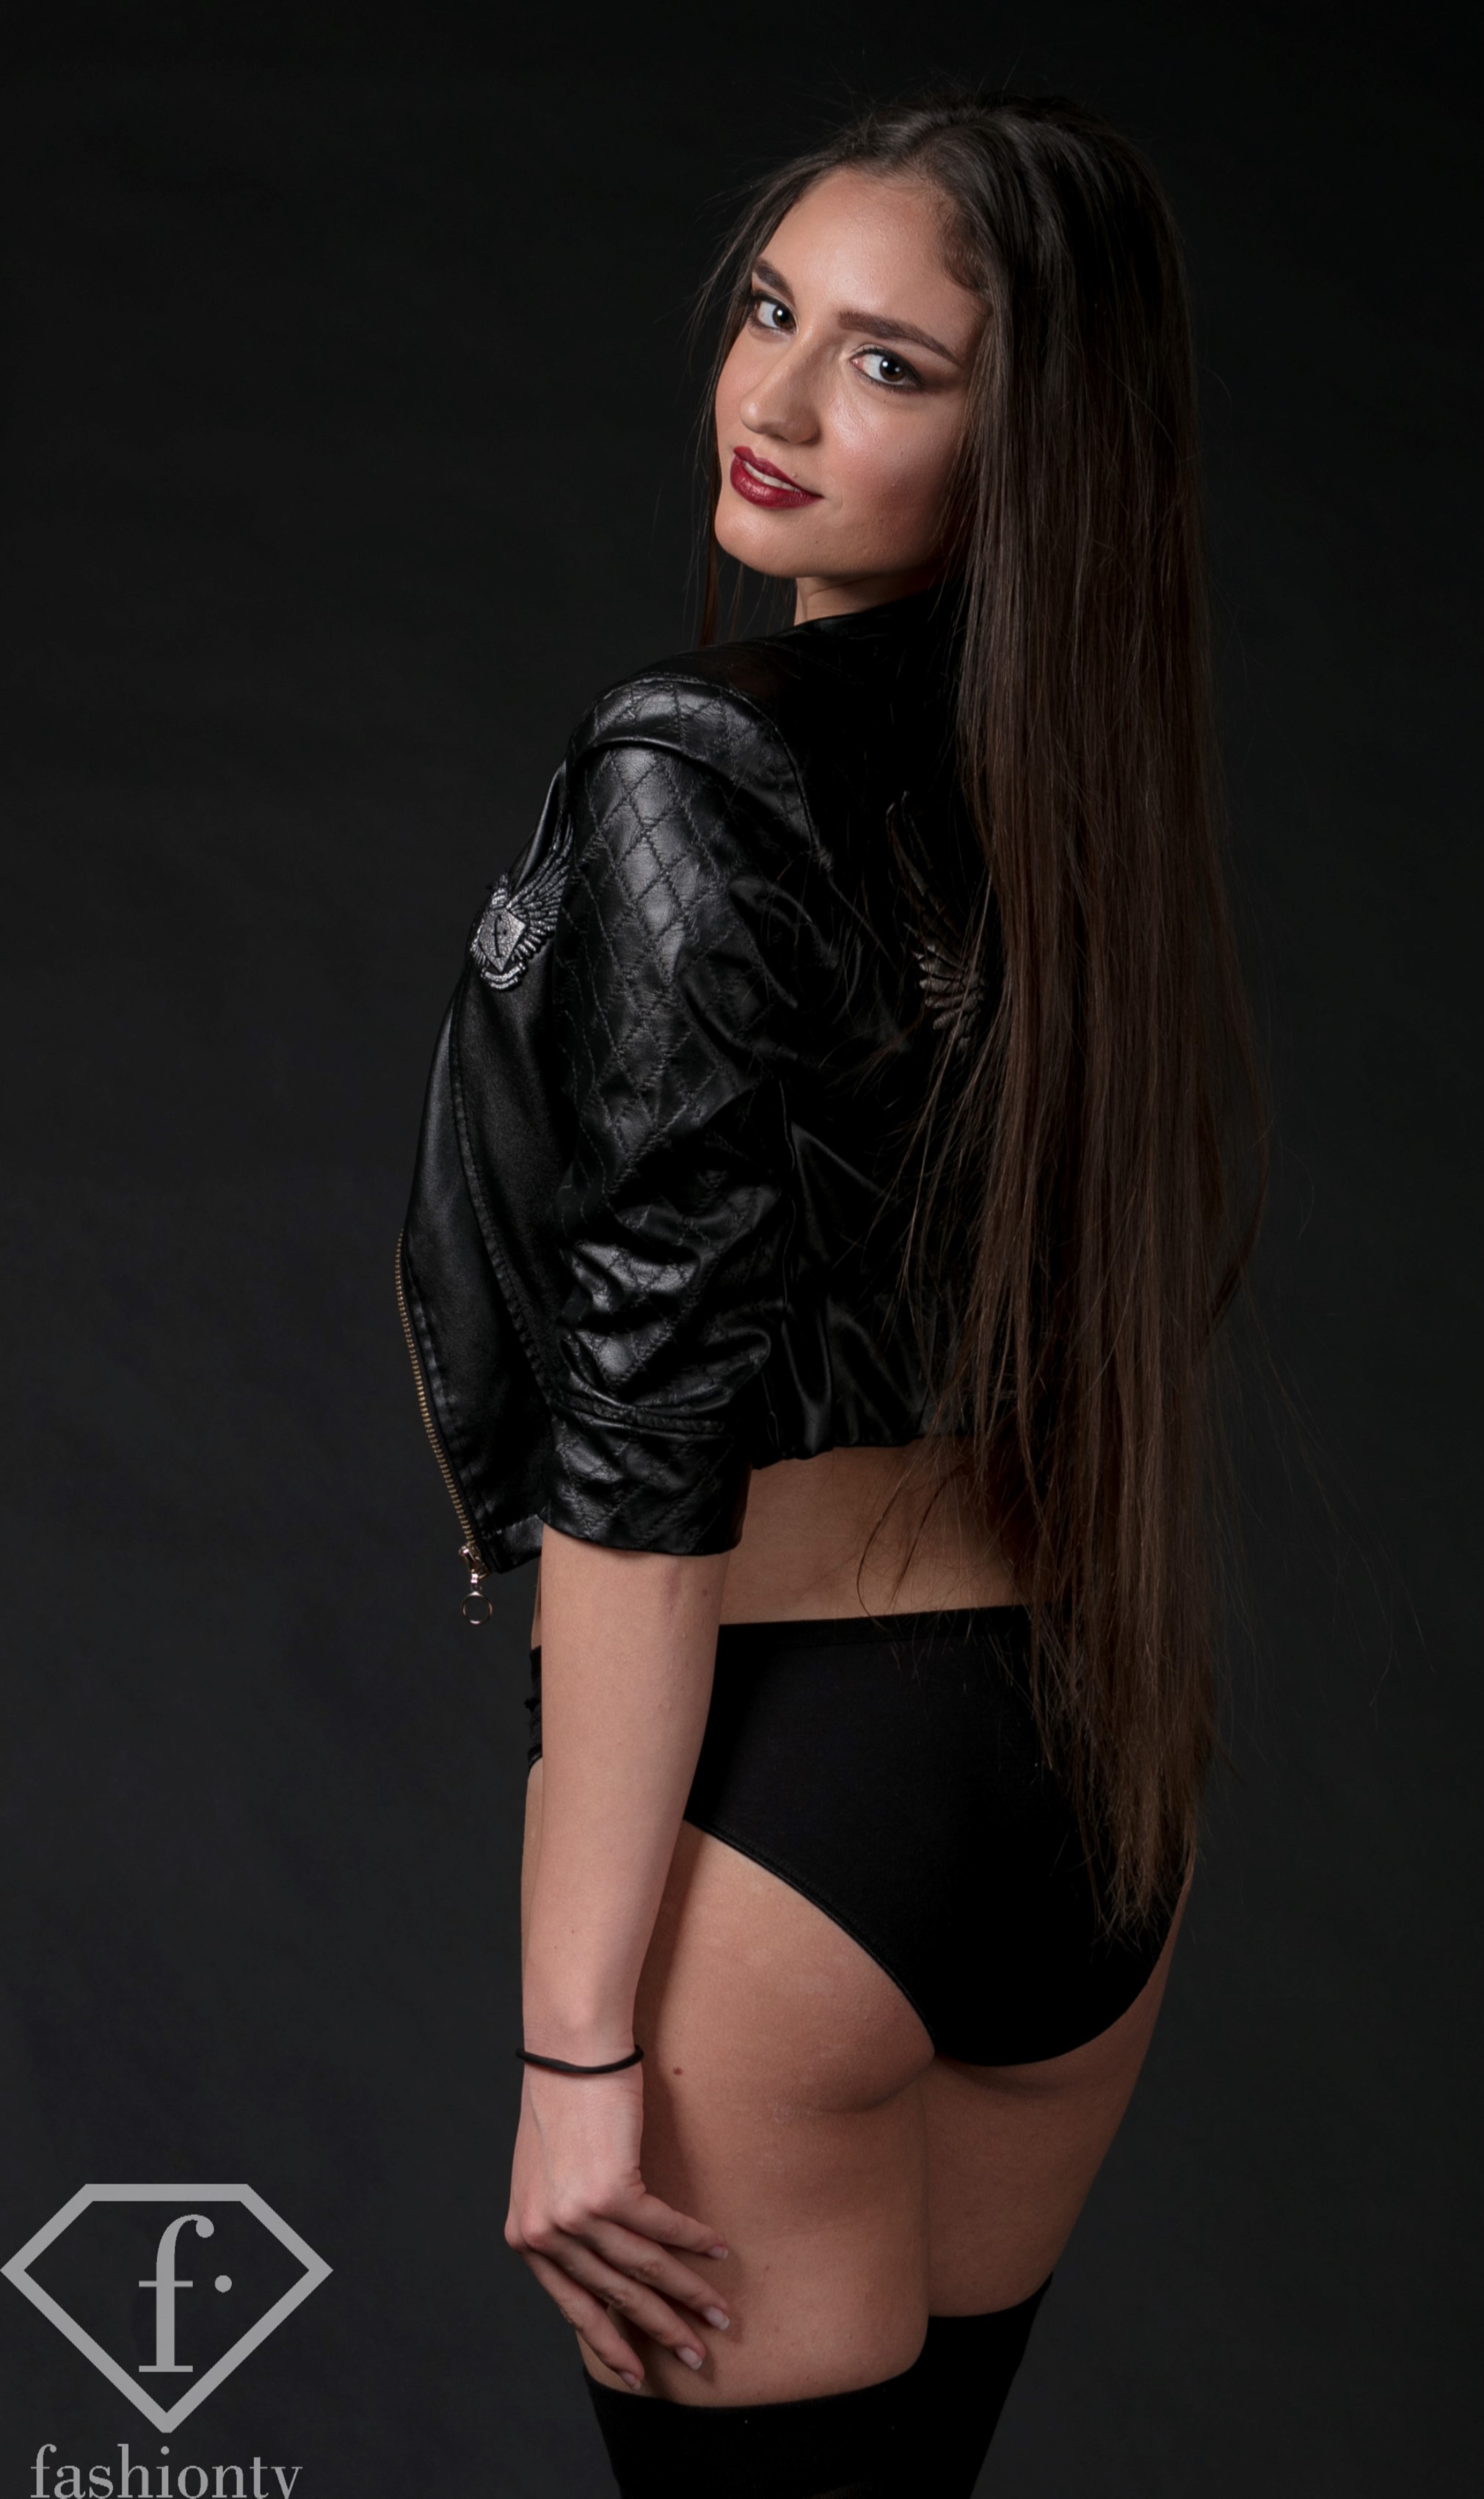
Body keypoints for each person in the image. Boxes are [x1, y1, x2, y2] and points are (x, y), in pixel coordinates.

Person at [398, 91, 1262, 2499]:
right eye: (773, 314)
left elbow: (645, 1431)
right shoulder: (1085, 788)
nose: (772, 399)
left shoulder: (690, 763)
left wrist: (578, 2051)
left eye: (891, 364)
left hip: (798, 1819)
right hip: (1081, 1786)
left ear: (1027, 441)